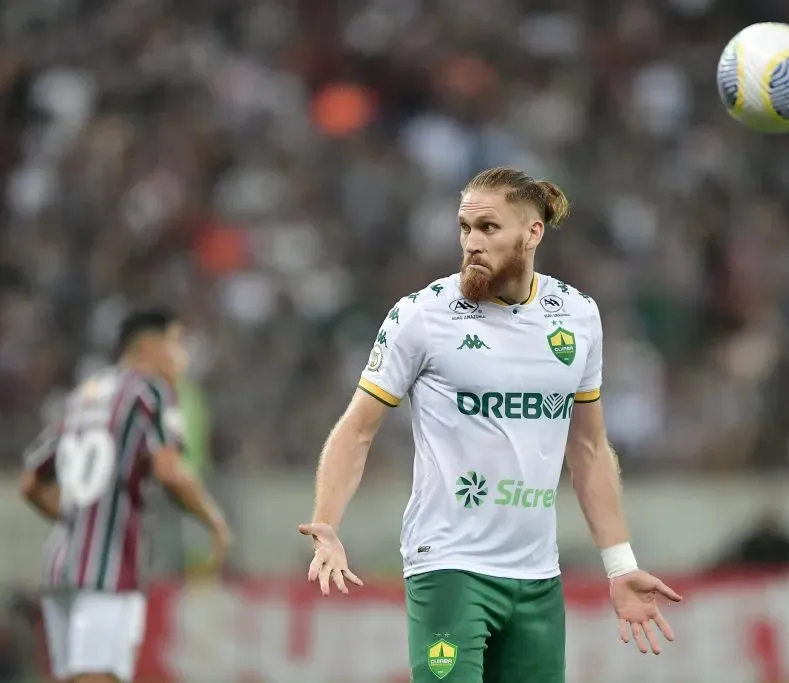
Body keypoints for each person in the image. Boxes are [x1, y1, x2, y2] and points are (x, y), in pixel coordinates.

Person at [300, 167, 681, 682]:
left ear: (532, 233)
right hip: (450, 568)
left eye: (488, 228)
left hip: (537, 577)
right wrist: (327, 522)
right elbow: (357, 429)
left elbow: (589, 448)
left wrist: (619, 563)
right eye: (465, 228)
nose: (471, 243)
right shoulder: (422, 315)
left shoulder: (577, 317)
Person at [19, 308, 233, 683]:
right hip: (107, 570)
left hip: (59, 567)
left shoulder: (84, 395)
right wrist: (213, 520)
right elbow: (169, 470)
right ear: (149, 347)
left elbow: (30, 483)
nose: (183, 356)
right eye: (176, 343)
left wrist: (78, 521)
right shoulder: (150, 389)